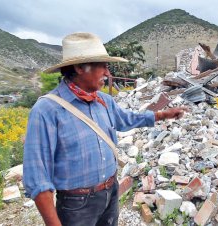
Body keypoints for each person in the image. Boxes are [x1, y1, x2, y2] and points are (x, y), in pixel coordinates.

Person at [23, 32, 187, 226]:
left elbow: (126, 120)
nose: (108, 74)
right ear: (79, 67)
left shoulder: (104, 101)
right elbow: (38, 178)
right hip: (76, 205)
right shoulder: (47, 110)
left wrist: (161, 115)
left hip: (110, 192)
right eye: (103, 67)